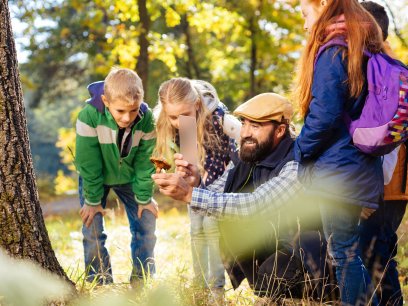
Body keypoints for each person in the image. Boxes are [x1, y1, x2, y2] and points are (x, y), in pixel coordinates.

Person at [153, 93, 332, 302]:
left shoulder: (295, 163)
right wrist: (195, 183)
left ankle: (315, 297)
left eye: (255, 126)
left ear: (280, 130)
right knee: (235, 233)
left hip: (309, 252)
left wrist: (190, 194)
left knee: (271, 274)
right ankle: (273, 292)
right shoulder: (249, 154)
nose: (245, 132)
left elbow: (255, 204)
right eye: (244, 123)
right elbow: (219, 192)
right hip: (275, 243)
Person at [293, 0, 385, 304]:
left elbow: (325, 113)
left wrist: (300, 149)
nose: (306, 25)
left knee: (343, 252)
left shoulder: (335, 50)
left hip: (339, 169)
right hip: (356, 165)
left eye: (306, 15)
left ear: (322, 5)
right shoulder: (361, 46)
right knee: (346, 250)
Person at [153, 78, 240, 300]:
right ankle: (199, 285)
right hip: (197, 186)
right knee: (196, 230)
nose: (178, 121)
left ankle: (217, 290)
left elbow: (238, 159)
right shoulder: (182, 123)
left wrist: (218, 187)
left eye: (183, 115)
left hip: (221, 186)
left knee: (212, 228)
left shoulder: (220, 119)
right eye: (172, 117)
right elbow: (191, 160)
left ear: (197, 105)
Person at [75, 68, 157, 285]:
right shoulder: (88, 116)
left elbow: (144, 162)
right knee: (93, 231)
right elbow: (88, 163)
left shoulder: (147, 119)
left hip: (130, 177)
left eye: (133, 110)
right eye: (120, 111)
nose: (127, 118)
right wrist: (92, 201)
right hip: (96, 179)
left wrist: (144, 198)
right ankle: (100, 282)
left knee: (146, 224)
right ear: (106, 101)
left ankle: (142, 281)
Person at [359, 2, 406, 304]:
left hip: (385, 189)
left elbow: (385, 140)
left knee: (377, 260)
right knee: (378, 257)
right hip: (387, 188)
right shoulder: (389, 69)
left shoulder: (384, 75)